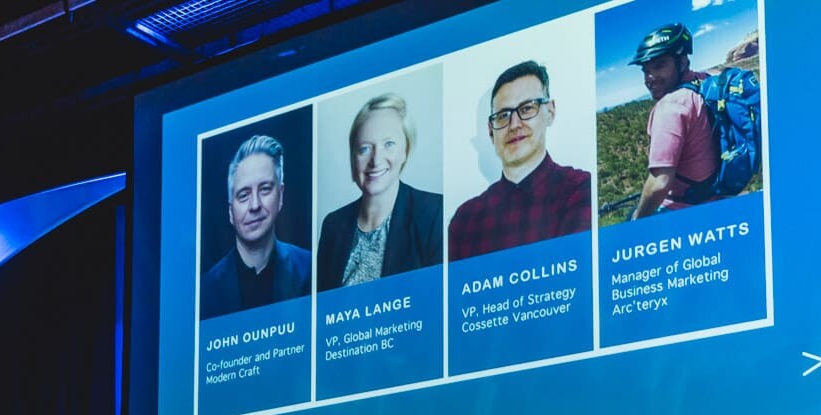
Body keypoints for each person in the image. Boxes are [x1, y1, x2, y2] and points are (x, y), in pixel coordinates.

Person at [448, 61, 593, 261]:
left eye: (526, 109)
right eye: (503, 115)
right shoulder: (465, 220)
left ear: (550, 112)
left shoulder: (582, 190)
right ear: (491, 132)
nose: (514, 125)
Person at [315, 93, 443, 291]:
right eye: (365, 149)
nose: (376, 160)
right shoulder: (333, 225)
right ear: (353, 157)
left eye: (389, 144)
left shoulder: (434, 213)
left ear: (405, 151)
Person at [200, 135, 313, 319]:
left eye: (265, 189)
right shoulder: (205, 291)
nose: (254, 205)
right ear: (230, 211)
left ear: (281, 196)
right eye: (243, 195)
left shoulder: (311, 269)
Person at [628, 23, 717, 219]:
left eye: (659, 65)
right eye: (645, 70)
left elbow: (659, 183)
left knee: (631, 216)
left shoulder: (669, 107)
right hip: (715, 190)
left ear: (682, 60)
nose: (649, 78)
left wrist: (636, 223)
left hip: (685, 206)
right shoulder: (706, 82)